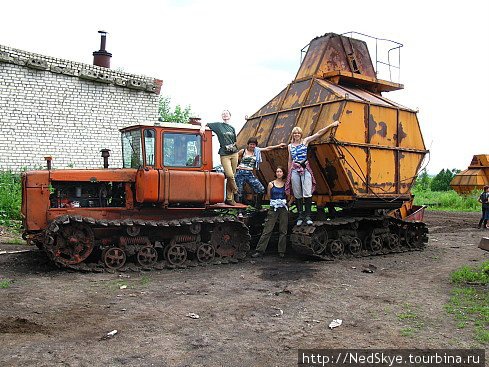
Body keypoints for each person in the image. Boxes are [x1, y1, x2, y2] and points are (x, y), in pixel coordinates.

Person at [286, 121, 340, 226]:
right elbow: (289, 160)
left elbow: (318, 133)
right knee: (297, 194)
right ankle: (300, 216)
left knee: (307, 192)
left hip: (305, 169)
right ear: (292, 135)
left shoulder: (305, 141)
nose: (296, 135)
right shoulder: (290, 146)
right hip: (295, 170)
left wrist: (331, 125)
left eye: (298, 133)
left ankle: (308, 216)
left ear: (301, 134)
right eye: (295, 133)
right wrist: (289, 172)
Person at [200, 110, 239, 205]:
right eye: (223, 113)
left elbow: (234, 141)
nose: (225, 115)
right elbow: (206, 123)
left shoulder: (232, 128)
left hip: (234, 153)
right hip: (224, 154)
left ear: (230, 116)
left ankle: (230, 199)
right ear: (222, 116)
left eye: (227, 113)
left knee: (232, 176)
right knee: (229, 175)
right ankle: (236, 191)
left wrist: (232, 146)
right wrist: (202, 128)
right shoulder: (218, 125)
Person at [236, 137, 287, 209]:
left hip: (249, 173)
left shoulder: (256, 151)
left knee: (261, 189)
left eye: (254, 144)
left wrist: (278, 146)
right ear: (248, 144)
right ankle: (240, 210)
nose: (252, 146)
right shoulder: (243, 151)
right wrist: (236, 166)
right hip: (240, 173)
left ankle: (257, 206)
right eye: (251, 144)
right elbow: (234, 157)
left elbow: (267, 148)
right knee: (240, 191)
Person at [252, 166, 289, 258]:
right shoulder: (271, 184)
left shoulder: (286, 184)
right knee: (267, 229)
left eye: (280, 171)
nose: (278, 173)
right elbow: (269, 196)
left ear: (283, 173)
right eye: (277, 171)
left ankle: (281, 251)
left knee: (283, 230)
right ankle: (259, 250)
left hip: (283, 208)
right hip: (274, 207)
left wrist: (288, 204)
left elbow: (290, 196)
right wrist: (273, 203)